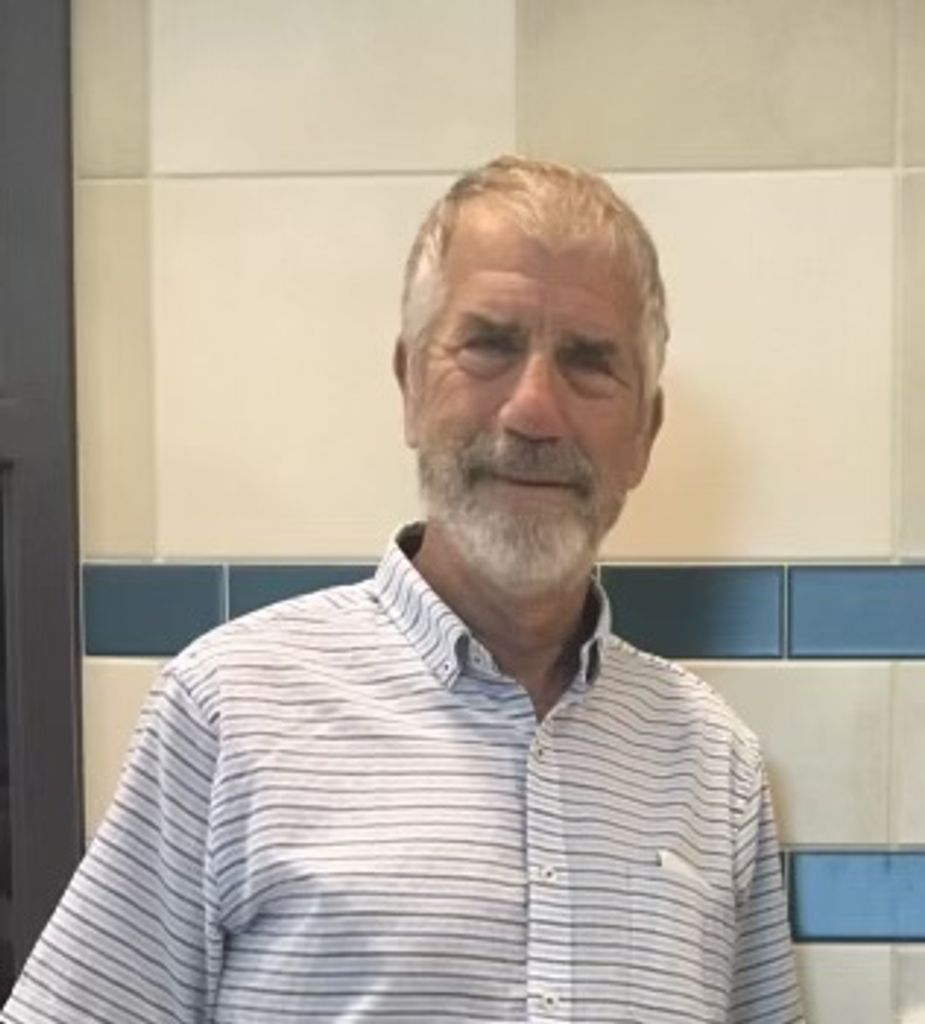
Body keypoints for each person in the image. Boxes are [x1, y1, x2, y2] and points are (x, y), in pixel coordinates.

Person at [2, 156, 802, 1023]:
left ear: (643, 432)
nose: (534, 410)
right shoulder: (228, 711)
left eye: (588, 362)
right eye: (489, 345)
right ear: (412, 385)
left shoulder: (714, 765)